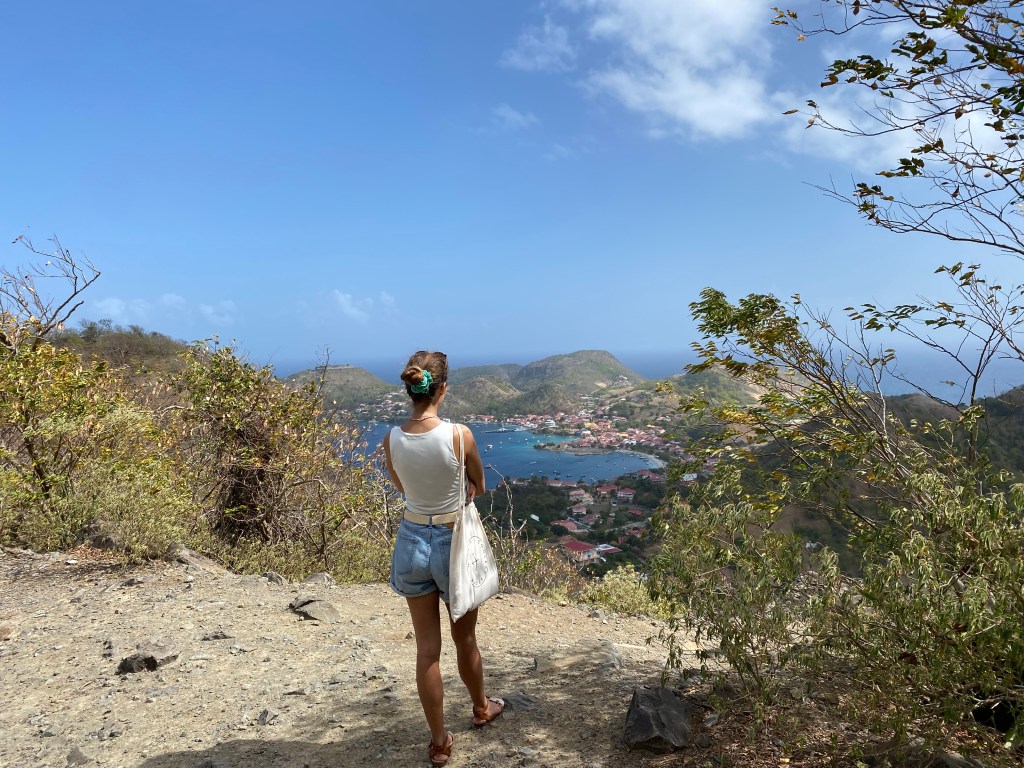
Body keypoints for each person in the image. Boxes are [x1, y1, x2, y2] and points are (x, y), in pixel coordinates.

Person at [383, 350, 505, 767]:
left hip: (411, 540)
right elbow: (479, 485)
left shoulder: (392, 438)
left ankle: (439, 743)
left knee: (426, 651)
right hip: (452, 543)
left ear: (410, 388)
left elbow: (404, 486)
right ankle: (481, 708)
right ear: (443, 389)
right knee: (464, 638)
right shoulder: (459, 435)